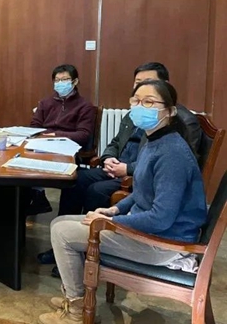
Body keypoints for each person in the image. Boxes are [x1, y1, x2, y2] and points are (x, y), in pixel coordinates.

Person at [38, 79, 207, 324]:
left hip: (163, 243)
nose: (140, 107)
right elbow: (141, 191)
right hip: (145, 230)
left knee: (63, 233)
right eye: (136, 101)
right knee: (59, 223)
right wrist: (115, 209)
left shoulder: (172, 154)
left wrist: (112, 223)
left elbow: (161, 217)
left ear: (170, 111)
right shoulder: (154, 140)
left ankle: (76, 312)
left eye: (149, 102)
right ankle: (77, 298)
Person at [28, 64, 97, 215]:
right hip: (42, 146)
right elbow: (34, 127)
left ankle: (64, 217)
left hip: (68, 150)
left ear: (75, 81)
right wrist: (45, 136)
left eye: (64, 80)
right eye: (57, 80)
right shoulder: (45, 103)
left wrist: (56, 135)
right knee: (21, 165)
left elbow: (83, 135)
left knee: (73, 179)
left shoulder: (85, 106)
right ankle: (34, 201)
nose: (60, 83)